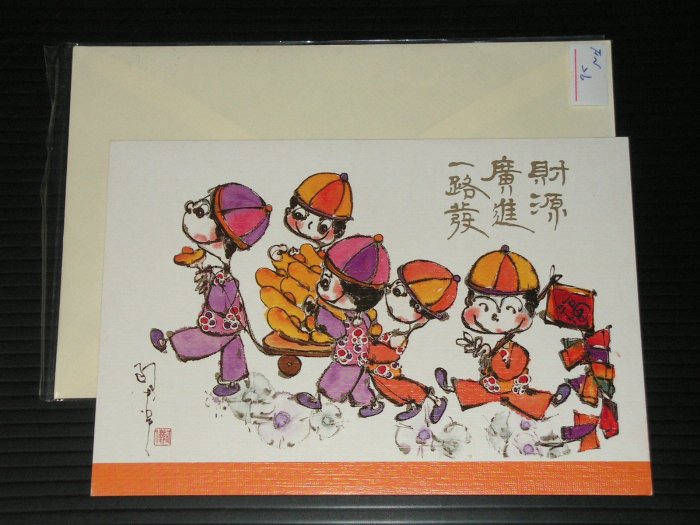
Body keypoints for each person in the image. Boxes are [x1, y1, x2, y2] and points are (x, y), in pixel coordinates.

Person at [149, 183, 272, 396]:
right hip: (231, 321)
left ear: (222, 238)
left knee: (207, 338)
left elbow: (218, 302)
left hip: (222, 321)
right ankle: (233, 381)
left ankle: (171, 345)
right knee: (232, 342)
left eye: (200, 211)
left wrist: (210, 280)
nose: (189, 206)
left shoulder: (225, 276)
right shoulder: (220, 269)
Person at [435, 246, 570, 420]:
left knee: (522, 398)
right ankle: (451, 387)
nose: (496, 316)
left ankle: (552, 400)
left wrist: (491, 359)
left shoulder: (514, 347)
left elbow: (509, 370)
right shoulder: (499, 341)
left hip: (510, 385)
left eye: (510, 309)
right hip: (494, 384)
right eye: (485, 307)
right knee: (479, 391)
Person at [295, 234, 390, 417]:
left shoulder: (346, 317)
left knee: (333, 381)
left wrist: (318, 313)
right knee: (359, 384)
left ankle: (322, 401)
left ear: (354, 295)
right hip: (360, 358)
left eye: (326, 282)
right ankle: (371, 403)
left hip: (347, 360)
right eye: (325, 277)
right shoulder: (361, 316)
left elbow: (337, 331)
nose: (321, 285)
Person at [368, 259, 460, 423]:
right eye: (393, 286)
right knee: (389, 389)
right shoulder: (394, 324)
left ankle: (436, 401)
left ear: (418, 312)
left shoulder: (400, 334)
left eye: (397, 291)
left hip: (385, 368)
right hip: (379, 369)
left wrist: (369, 348)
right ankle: (414, 405)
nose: (388, 290)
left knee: (401, 388)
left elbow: (386, 354)